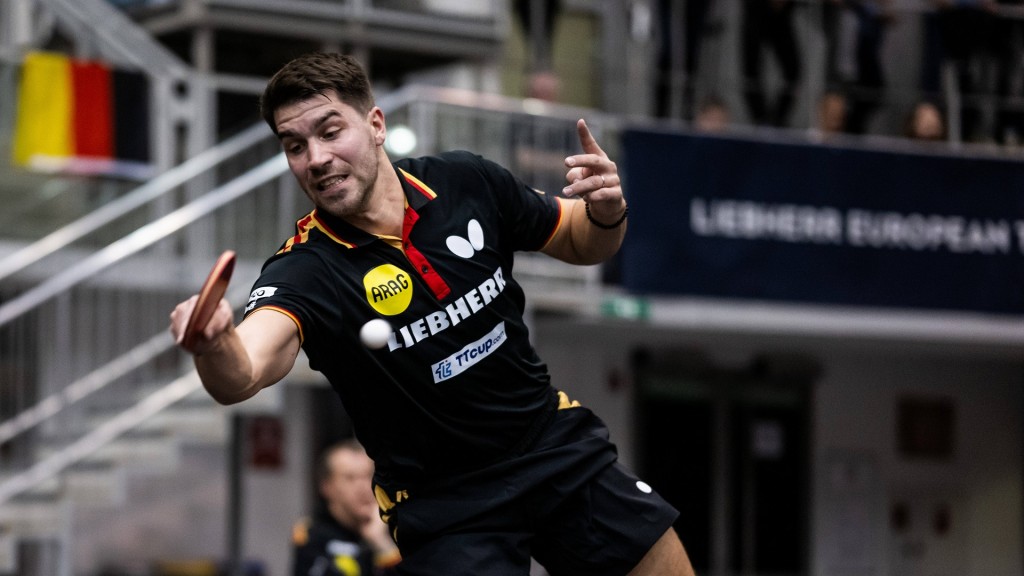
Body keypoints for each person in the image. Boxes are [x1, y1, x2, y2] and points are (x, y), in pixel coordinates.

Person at [169, 52, 694, 576]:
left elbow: (581, 238)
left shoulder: (466, 182)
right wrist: (216, 342)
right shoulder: (305, 270)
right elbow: (244, 372)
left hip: (548, 444)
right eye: (295, 146)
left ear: (376, 125)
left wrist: (607, 210)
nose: (316, 158)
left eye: (330, 132)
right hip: (447, 504)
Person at [292, 440, 402, 576]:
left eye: (369, 476)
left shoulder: (396, 528)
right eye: (350, 478)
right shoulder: (313, 535)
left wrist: (381, 543)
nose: (363, 488)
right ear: (326, 486)